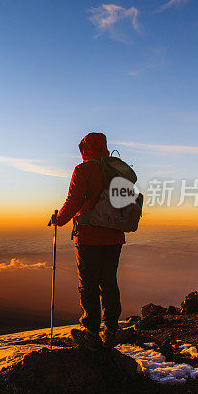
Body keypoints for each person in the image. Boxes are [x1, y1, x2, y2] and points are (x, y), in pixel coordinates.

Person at [51, 132, 124, 350]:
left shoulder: (83, 170)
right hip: (114, 235)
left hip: (89, 236)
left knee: (89, 284)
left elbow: (73, 201)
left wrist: (59, 220)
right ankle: (111, 330)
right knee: (109, 281)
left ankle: (91, 332)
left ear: (84, 148)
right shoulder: (117, 169)